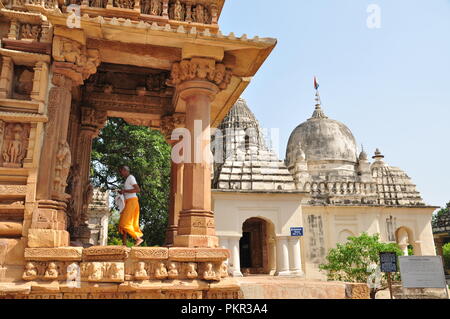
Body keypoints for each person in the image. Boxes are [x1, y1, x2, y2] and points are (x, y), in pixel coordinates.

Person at [117, 166, 144, 246]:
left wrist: (124, 191)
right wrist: (122, 192)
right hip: (129, 202)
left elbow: (137, 189)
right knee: (124, 222)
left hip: (132, 201)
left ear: (125, 171)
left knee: (124, 222)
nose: (120, 173)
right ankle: (124, 244)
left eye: (121, 171)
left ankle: (138, 238)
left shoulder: (131, 177)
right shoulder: (127, 180)